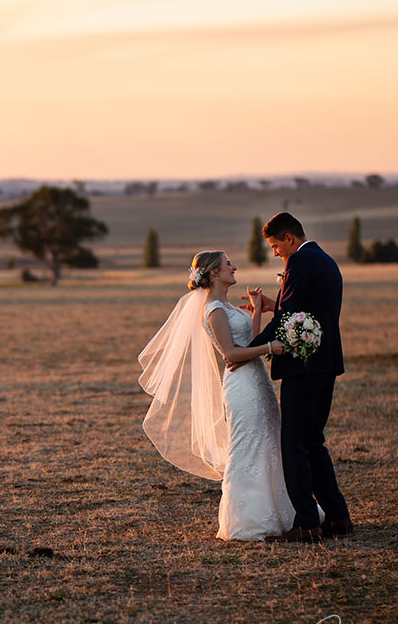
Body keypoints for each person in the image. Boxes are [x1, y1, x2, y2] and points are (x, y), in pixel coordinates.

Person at [139, 250, 310, 541]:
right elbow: (231, 354)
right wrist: (271, 349)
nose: (235, 267)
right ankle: (247, 520)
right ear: (214, 273)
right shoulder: (214, 310)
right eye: (228, 264)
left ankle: (280, 512)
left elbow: (248, 343)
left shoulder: (227, 306)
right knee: (247, 446)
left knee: (268, 441)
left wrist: (256, 311)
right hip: (241, 386)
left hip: (257, 381)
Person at [245, 213, 353, 541]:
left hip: (304, 366)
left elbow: (289, 319)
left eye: (276, 246)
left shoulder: (300, 263)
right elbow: (306, 309)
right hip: (326, 364)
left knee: (294, 445)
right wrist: (275, 303)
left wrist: (247, 351)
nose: (275, 253)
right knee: (312, 441)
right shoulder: (322, 259)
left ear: (289, 239)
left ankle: (306, 524)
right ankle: (337, 517)